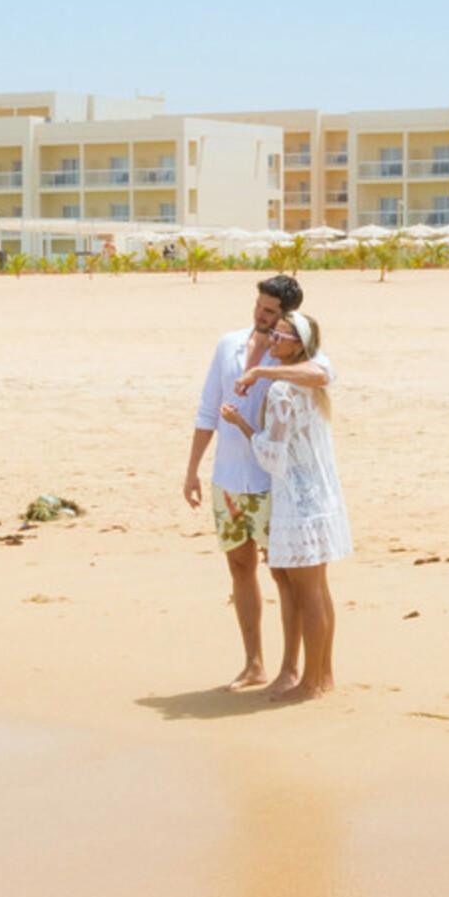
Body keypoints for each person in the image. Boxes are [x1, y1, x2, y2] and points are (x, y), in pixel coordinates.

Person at [183, 275, 301, 689]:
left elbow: (320, 376)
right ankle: (254, 663)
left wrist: (273, 361)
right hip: (228, 480)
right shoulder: (228, 344)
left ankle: (290, 668)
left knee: (283, 572)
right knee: (239, 566)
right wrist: (193, 469)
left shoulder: (291, 356)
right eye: (259, 307)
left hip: (271, 482)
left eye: (270, 311)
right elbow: (207, 409)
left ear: (287, 316)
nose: (260, 316)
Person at [228, 310, 350, 701]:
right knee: (318, 589)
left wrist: (242, 426)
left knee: (306, 593)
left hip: (297, 502)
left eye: (280, 337)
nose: (273, 341)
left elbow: (272, 456)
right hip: (321, 495)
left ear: (297, 344)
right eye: (273, 335)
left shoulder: (285, 390)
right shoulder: (308, 380)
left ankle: (311, 682)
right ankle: (322, 674)